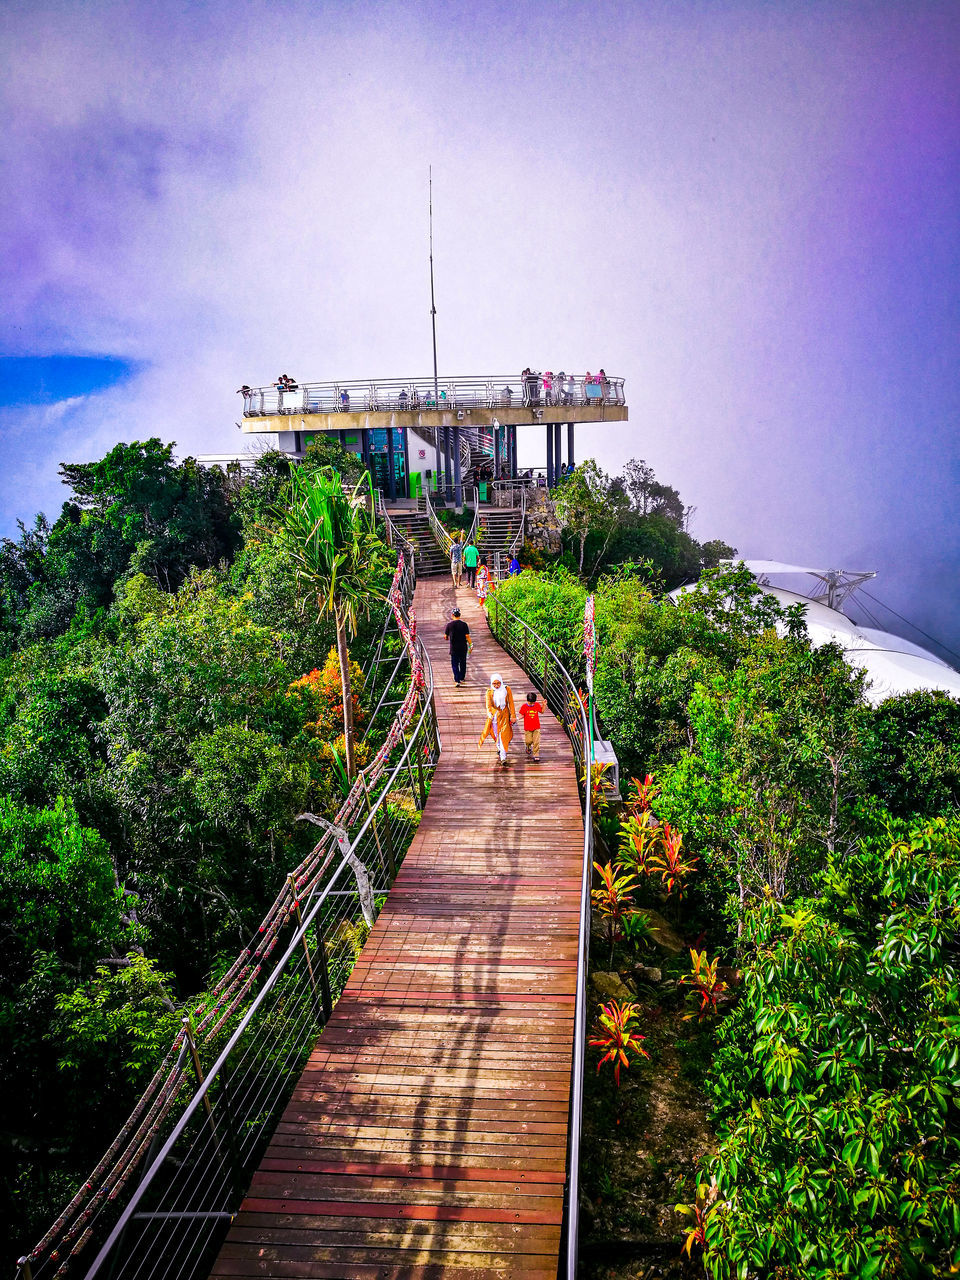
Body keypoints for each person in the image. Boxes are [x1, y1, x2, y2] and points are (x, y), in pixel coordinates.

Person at [478, 673, 517, 767]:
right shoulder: (489, 692)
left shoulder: (507, 689)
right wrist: (493, 712)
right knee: (496, 734)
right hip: (495, 716)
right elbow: (489, 706)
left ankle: (503, 757)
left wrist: (513, 715)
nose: (496, 685)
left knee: (503, 734)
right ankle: (499, 748)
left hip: (504, 715)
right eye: (494, 683)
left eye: (498, 683)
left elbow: (511, 703)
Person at [444, 607, 472, 686]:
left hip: (454, 648)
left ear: (452, 615)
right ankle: (462, 677)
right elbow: (467, 636)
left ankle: (457, 680)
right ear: (460, 615)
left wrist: (447, 637)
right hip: (463, 647)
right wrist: (471, 644)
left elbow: (446, 636)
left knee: (455, 664)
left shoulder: (449, 625)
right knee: (463, 663)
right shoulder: (464, 624)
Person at [519, 691, 545, 762]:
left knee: (536, 741)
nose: (532, 704)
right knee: (528, 741)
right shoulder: (524, 707)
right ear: (527, 701)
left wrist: (544, 705)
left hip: (536, 727)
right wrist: (517, 719)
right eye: (530, 703)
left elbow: (542, 711)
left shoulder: (536, 705)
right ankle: (528, 747)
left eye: (533, 702)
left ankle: (536, 754)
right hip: (527, 727)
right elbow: (521, 715)